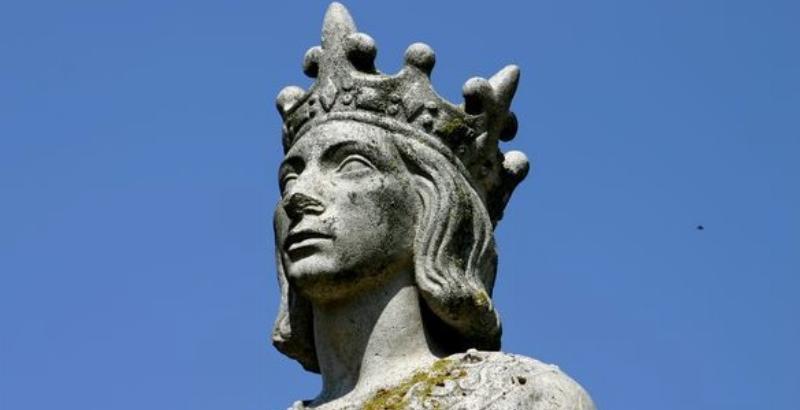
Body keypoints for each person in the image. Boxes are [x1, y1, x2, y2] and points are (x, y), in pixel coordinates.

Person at [272, 3, 595, 409]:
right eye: (290, 175)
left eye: (352, 164)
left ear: (432, 206)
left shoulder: (519, 395)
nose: (297, 194)